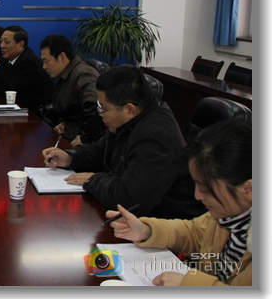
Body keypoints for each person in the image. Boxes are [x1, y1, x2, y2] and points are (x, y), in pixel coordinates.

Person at [43, 65, 204, 219]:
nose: (100, 114)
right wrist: (71, 157)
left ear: (129, 110)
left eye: (104, 109)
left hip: (163, 225)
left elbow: (130, 199)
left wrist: (93, 180)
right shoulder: (128, 121)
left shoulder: (156, 137)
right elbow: (101, 151)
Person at [107, 120, 252, 286]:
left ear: (248, 189)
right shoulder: (229, 214)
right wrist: (146, 230)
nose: (197, 195)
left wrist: (189, 284)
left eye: (206, 189)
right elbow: (195, 233)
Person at [39, 34, 105, 145]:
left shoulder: (82, 75)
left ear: (62, 57)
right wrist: (64, 123)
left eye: (47, 61)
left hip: (84, 143)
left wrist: (85, 138)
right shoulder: (66, 74)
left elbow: (96, 108)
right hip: (69, 134)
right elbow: (72, 111)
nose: (44, 66)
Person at [0, 25, 54, 111]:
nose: (2, 46)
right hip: (19, 108)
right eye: (1, 41)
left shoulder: (29, 62)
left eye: (6, 42)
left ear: (20, 44)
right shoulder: (9, 58)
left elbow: (10, 90)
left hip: (36, 112)